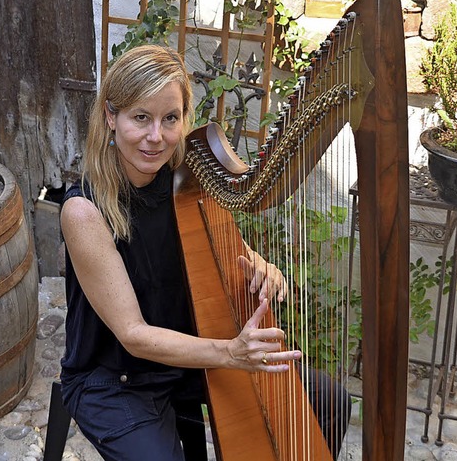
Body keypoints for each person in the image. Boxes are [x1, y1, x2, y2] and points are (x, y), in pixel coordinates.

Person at [59, 44, 350, 461]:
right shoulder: (84, 211)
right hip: (116, 377)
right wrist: (230, 353)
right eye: (141, 117)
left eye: (170, 119)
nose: (156, 137)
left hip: (187, 357)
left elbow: (240, 255)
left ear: (184, 118)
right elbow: (134, 336)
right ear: (111, 116)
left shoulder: (187, 184)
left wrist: (265, 270)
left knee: (329, 401)